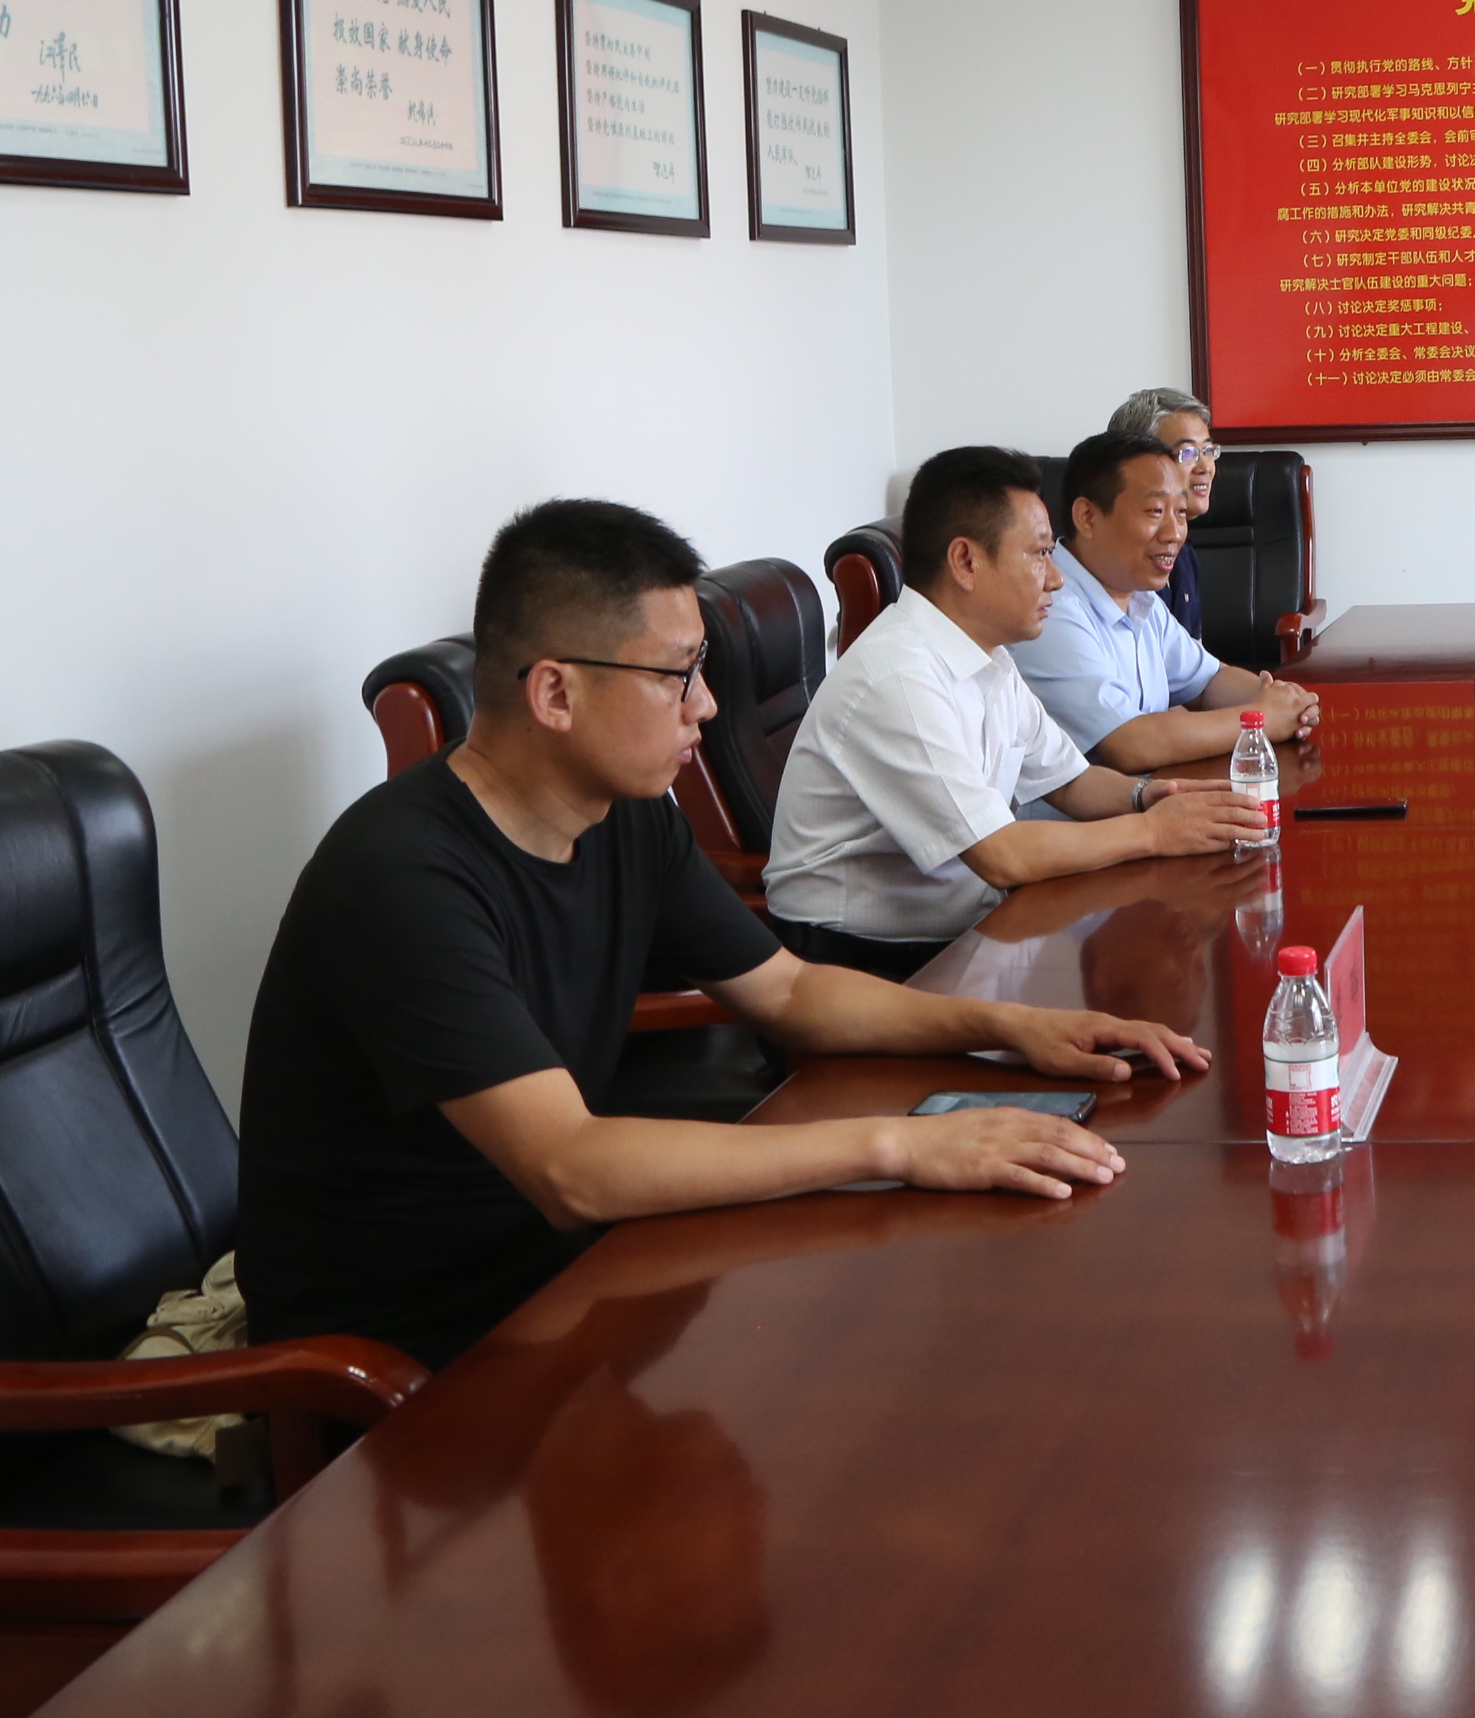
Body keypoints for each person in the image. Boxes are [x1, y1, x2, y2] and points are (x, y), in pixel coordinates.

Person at [236, 500, 1207, 1370]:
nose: (704, 705)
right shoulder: (403, 878)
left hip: (573, 1270)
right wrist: (902, 1145)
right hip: (414, 1347)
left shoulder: (624, 814)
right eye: (677, 676)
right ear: (555, 694)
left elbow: (787, 990)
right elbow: (571, 1167)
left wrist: (1011, 1030)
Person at [762, 446, 1270, 983]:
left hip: (972, 925)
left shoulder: (988, 655)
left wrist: (1154, 796)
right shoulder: (898, 677)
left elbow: (1071, 782)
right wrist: (1153, 832)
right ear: (966, 561)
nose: (1056, 578)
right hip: (860, 964)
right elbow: (1002, 855)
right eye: (1040, 554)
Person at [1014, 430, 1321, 766]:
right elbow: (1131, 743)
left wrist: (1284, 700)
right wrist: (1262, 719)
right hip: (1096, 801)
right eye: (1155, 511)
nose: (1175, 533)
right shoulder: (1049, 608)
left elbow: (1208, 681)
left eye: (1181, 513)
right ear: (1087, 517)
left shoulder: (1139, 597)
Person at [1108, 386, 1218, 637]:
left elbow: (1193, 656)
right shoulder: (1118, 566)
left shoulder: (1182, 551)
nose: (1205, 467)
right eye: (1188, 452)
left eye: (1208, 451)